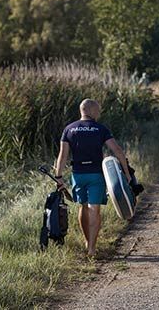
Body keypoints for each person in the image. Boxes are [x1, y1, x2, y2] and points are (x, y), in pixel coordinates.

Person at [54, 98, 131, 257]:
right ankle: (92, 249)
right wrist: (126, 172)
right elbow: (117, 150)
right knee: (94, 209)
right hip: (96, 175)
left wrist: (58, 176)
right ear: (92, 111)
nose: (99, 113)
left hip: (78, 175)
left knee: (82, 206)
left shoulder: (69, 129)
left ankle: (87, 241)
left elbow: (62, 156)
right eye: (98, 110)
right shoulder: (100, 129)